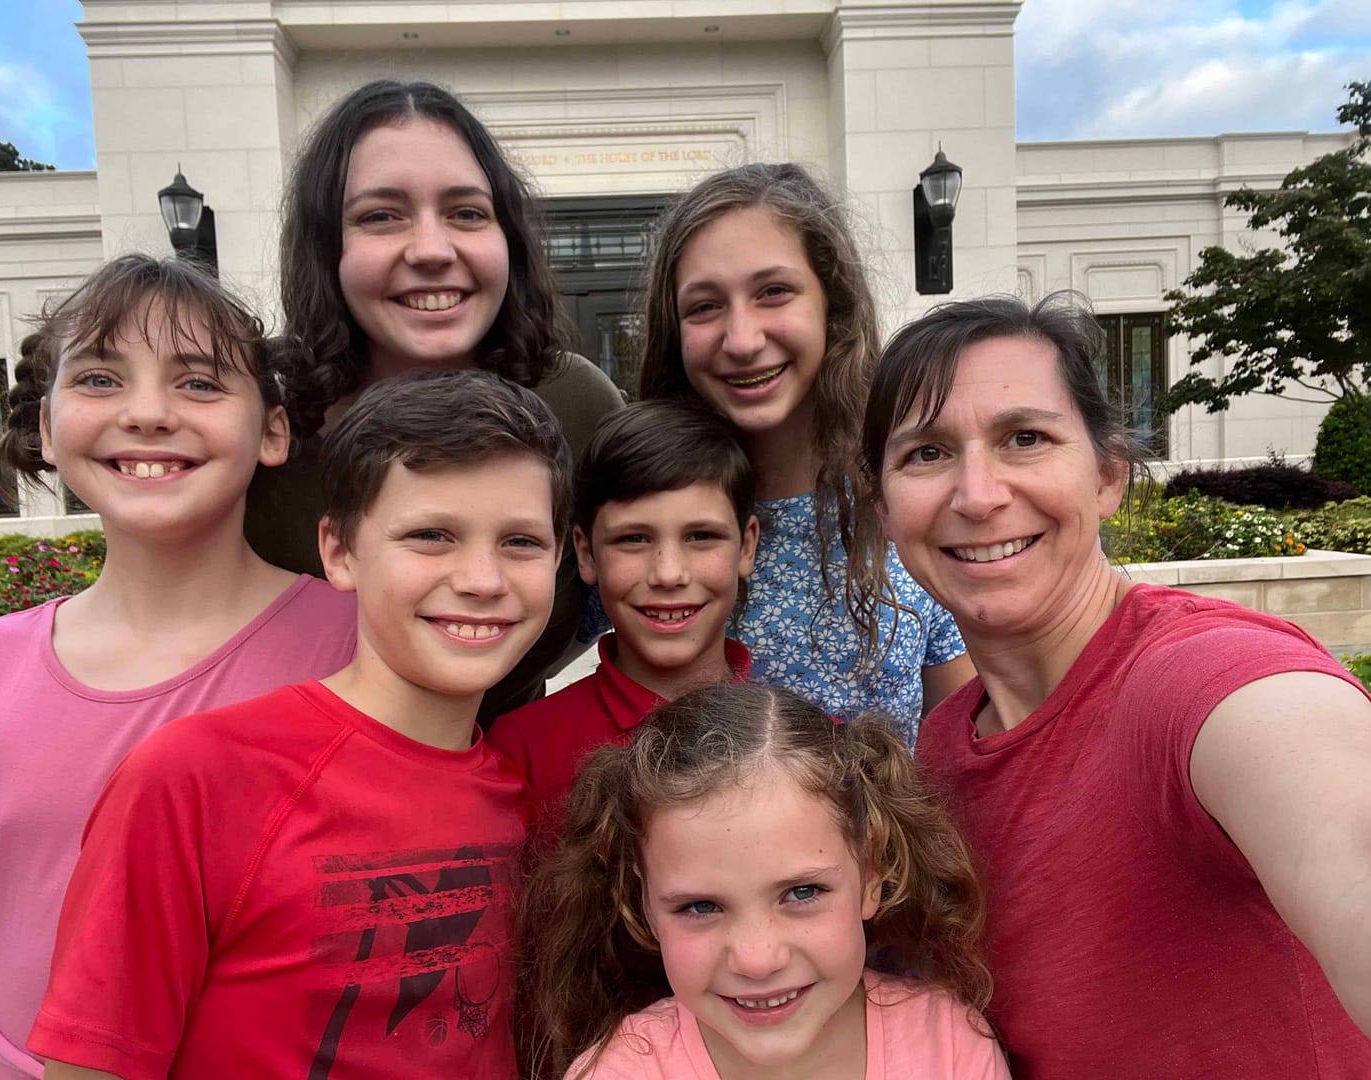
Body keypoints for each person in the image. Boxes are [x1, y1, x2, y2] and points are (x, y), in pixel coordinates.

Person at [863, 293, 1371, 1078]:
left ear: (1107, 477)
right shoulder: (942, 746)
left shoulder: (1201, 680)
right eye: (925, 454)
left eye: (1024, 438)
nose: (978, 494)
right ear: (884, 511)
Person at [27, 370, 569, 1079]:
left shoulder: (524, 797)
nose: (482, 579)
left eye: (521, 542)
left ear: (561, 556)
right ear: (340, 553)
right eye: (432, 535)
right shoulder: (198, 778)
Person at [0, 255, 358, 1080]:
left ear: (272, 431)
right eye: (98, 378)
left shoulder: (360, 646)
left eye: (198, 383)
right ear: (45, 431)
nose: (149, 413)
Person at [244, 78, 623, 722]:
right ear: (326, 246)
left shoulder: (578, 404)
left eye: (467, 212)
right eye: (381, 215)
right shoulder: (262, 412)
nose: (431, 250)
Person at [520, 682, 1009, 1079]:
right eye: (701, 907)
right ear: (642, 902)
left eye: (802, 893)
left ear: (873, 874)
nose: (757, 960)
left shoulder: (949, 1047)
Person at [637, 162, 970, 743]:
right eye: (704, 306)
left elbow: (968, 754)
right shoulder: (636, 508)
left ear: (832, 307)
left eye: (773, 292)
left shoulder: (911, 498)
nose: (741, 340)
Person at [488, 400, 759, 831]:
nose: (669, 573)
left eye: (701, 536)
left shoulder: (808, 745)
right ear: (585, 552)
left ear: (746, 546)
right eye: (633, 539)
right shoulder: (519, 751)